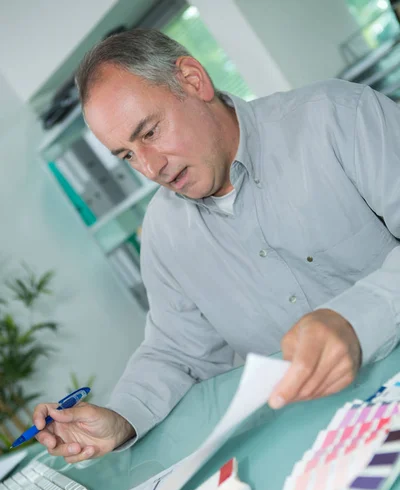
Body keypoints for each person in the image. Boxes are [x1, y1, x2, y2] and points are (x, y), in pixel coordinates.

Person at [33, 29, 400, 464]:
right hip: (325, 441)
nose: (150, 168)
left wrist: (356, 320)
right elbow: (176, 352)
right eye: (127, 156)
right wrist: (122, 416)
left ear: (193, 79)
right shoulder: (164, 233)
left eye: (149, 132)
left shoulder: (340, 117)